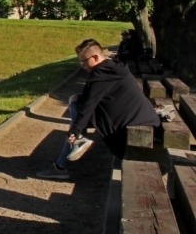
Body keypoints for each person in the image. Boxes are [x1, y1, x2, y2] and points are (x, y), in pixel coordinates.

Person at [36, 39, 161, 180]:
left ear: (95, 57)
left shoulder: (101, 75)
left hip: (131, 129)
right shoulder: (113, 68)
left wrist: (75, 129)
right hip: (142, 119)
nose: (82, 65)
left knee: (77, 106)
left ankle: (62, 164)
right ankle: (70, 153)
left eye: (84, 61)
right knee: (75, 100)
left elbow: (88, 106)